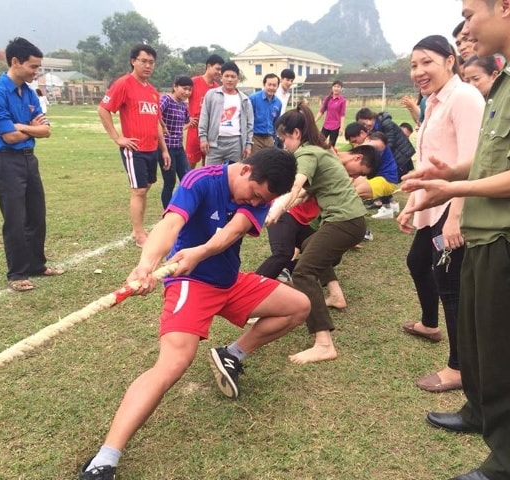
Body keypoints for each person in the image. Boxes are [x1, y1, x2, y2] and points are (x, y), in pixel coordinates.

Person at [401, 1, 510, 479]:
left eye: (471, 12)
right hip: (487, 234)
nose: (466, 25)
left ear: (504, 6)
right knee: (479, 345)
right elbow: (495, 157)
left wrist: (452, 189)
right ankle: (479, 413)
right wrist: (450, 170)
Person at [78, 148, 310, 480]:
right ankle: (105, 460)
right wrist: (145, 266)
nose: (258, 204)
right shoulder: (201, 180)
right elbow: (171, 224)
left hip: (229, 281)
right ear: (245, 171)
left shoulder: (258, 200)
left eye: (265, 201)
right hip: (191, 282)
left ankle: (232, 354)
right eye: (257, 195)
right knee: (172, 364)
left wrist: (199, 252)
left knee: (298, 306)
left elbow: (230, 234)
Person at [397, 35, 484, 394]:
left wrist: (455, 216)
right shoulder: (433, 101)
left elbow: (475, 162)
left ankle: (459, 368)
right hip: (434, 203)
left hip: (456, 202)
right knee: (419, 262)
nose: (419, 71)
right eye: (414, 64)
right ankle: (429, 324)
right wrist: (411, 204)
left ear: (450, 61)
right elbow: (429, 157)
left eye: (427, 62)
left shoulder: (464, 98)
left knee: (449, 281)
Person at [270, 104, 367, 365]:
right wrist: (283, 206)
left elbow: (297, 184)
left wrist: (279, 205)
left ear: (296, 134)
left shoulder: (306, 154)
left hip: (344, 221)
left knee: (303, 271)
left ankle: (324, 344)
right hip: (353, 219)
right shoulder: (321, 151)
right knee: (312, 244)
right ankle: (336, 295)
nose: (284, 145)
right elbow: (306, 192)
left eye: (284, 139)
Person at [0, 37, 62, 292]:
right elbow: (9, 136)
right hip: (6, 161)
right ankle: (17, 273)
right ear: (15, 62)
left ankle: (37, 264)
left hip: (28, 159)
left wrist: (26, 127)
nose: (36, 72)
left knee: (37, 215)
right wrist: (32, 129)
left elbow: (46, 130)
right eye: (33, 67)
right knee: (15, 218)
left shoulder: (28, 92)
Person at [256, 143, 381, 309]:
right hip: (288, 213)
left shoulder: (341, 171)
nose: (356, 175)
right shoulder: (324, 158)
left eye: (361, 175)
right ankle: (251, 293)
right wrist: (279, 207)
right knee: (283, 254)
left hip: (306, 220)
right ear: (357, 157)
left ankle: (332, 294)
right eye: (360, 171)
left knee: (328, 254)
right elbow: (299, 187)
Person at [98, 44, 171, 248]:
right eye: (143, 61)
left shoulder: (154, 92)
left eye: (151, 62)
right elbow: (103, 109)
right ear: (133, 61)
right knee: (138, 190)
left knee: (146, 187)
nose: (148, 66)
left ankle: (137, 228)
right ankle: (139, 234)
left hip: (152, 148)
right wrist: (118, 138)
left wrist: (163, 149)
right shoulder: (124, 84)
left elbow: (156, 122)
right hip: (134, 149)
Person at [199, 61, 253, 165]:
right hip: (214, 144)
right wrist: (203, 138)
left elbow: (249, 124)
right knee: (211, 175)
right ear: (221, 77)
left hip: (235, 144)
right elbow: (204, 117)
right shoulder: (211, 95)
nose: (229, 79)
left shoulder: (245, 99)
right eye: (227, 76)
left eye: (233, 76)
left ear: (238, 78)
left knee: (233, 176)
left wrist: (248, 145)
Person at [159, 75, 193, 209]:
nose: (187, 92)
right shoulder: (166, 99)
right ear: (175, 87)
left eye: (189, 90)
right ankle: (167, 212)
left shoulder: (183, 105)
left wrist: (179, 129)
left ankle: (184, 208)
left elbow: (187, 121)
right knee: (170, 182)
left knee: (188, 178)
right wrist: (162, 126)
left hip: (179, 147)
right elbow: (156, 114)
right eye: (184, 88)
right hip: (165, 148)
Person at [186, 54, 223, 168]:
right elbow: (180, 98)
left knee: (208, 165)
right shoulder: (194, 82)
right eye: (217, 69)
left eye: (221, 70)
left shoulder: (217, 87)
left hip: (210, 131)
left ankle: (205, 186)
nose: (219, 72)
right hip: (194, 129)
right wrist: (187, 118)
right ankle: (186, 185)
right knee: (189, 165)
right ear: (208, 66)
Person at [249, 73, 282, 153]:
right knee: (255, 162)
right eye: (269, 84)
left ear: (277, 86)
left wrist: (274, 137)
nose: (271, 87)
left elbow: (276, 122)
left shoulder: (278, 103)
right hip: (255, 137)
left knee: (269, 162)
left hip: (269, 138)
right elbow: (248, 119)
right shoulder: (253, 99)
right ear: (264, 84)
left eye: (274, 85)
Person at [314, 80, 346, 147]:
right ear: (332, 87)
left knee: (331, 146)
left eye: (338, 87)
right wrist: (314, 121)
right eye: (335, 86)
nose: (336, 88)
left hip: (335, 127)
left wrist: (342, 128)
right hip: (326, 125)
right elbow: (321, 111)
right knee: (319, 143)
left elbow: (342, 115)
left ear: (341, 89)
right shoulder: (328, 99)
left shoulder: (342, 100)